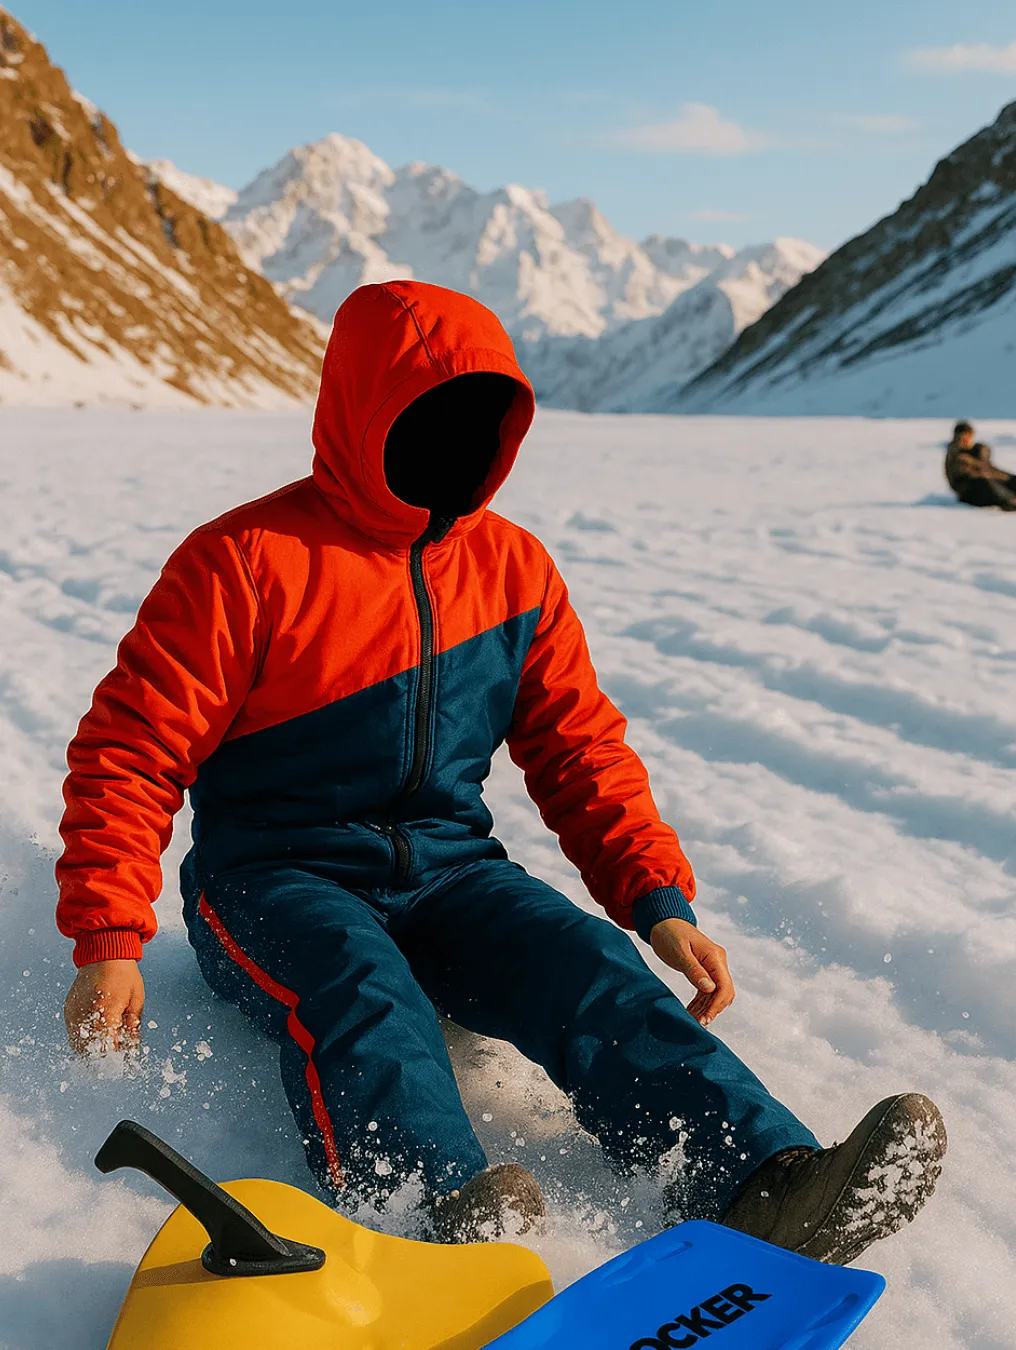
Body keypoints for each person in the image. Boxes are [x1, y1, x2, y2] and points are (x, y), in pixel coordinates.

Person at [56, 281, 946, 1261]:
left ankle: (757, 1178)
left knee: (588, 971)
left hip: (450, 872)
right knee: (364, 992)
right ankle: (427, 1212)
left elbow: (578, 747)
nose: (459, 441)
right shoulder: (245, 562)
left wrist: (656, 897)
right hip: (272, 878)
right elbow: (130, 755)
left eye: (483, 418)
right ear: (363, 413)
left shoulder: (512, 569)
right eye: (428, 416)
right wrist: (109, 937)